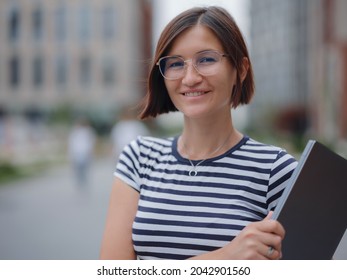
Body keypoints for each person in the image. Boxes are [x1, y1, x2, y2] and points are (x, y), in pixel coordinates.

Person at [100, 6, 298, 260]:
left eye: (206, 59)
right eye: (175, 64)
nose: (190, 78)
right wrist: (225, 258)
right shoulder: (139, 158)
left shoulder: (275, 170)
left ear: (241, 69)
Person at [68, 117, 96, 187]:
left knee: (83, 169)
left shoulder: (88, 131)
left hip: (84, 153)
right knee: (79, 169)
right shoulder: (75, 132)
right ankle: (81, 182)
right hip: (78, 153)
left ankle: (83, 182)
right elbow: (71, 144)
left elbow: (91, 142)